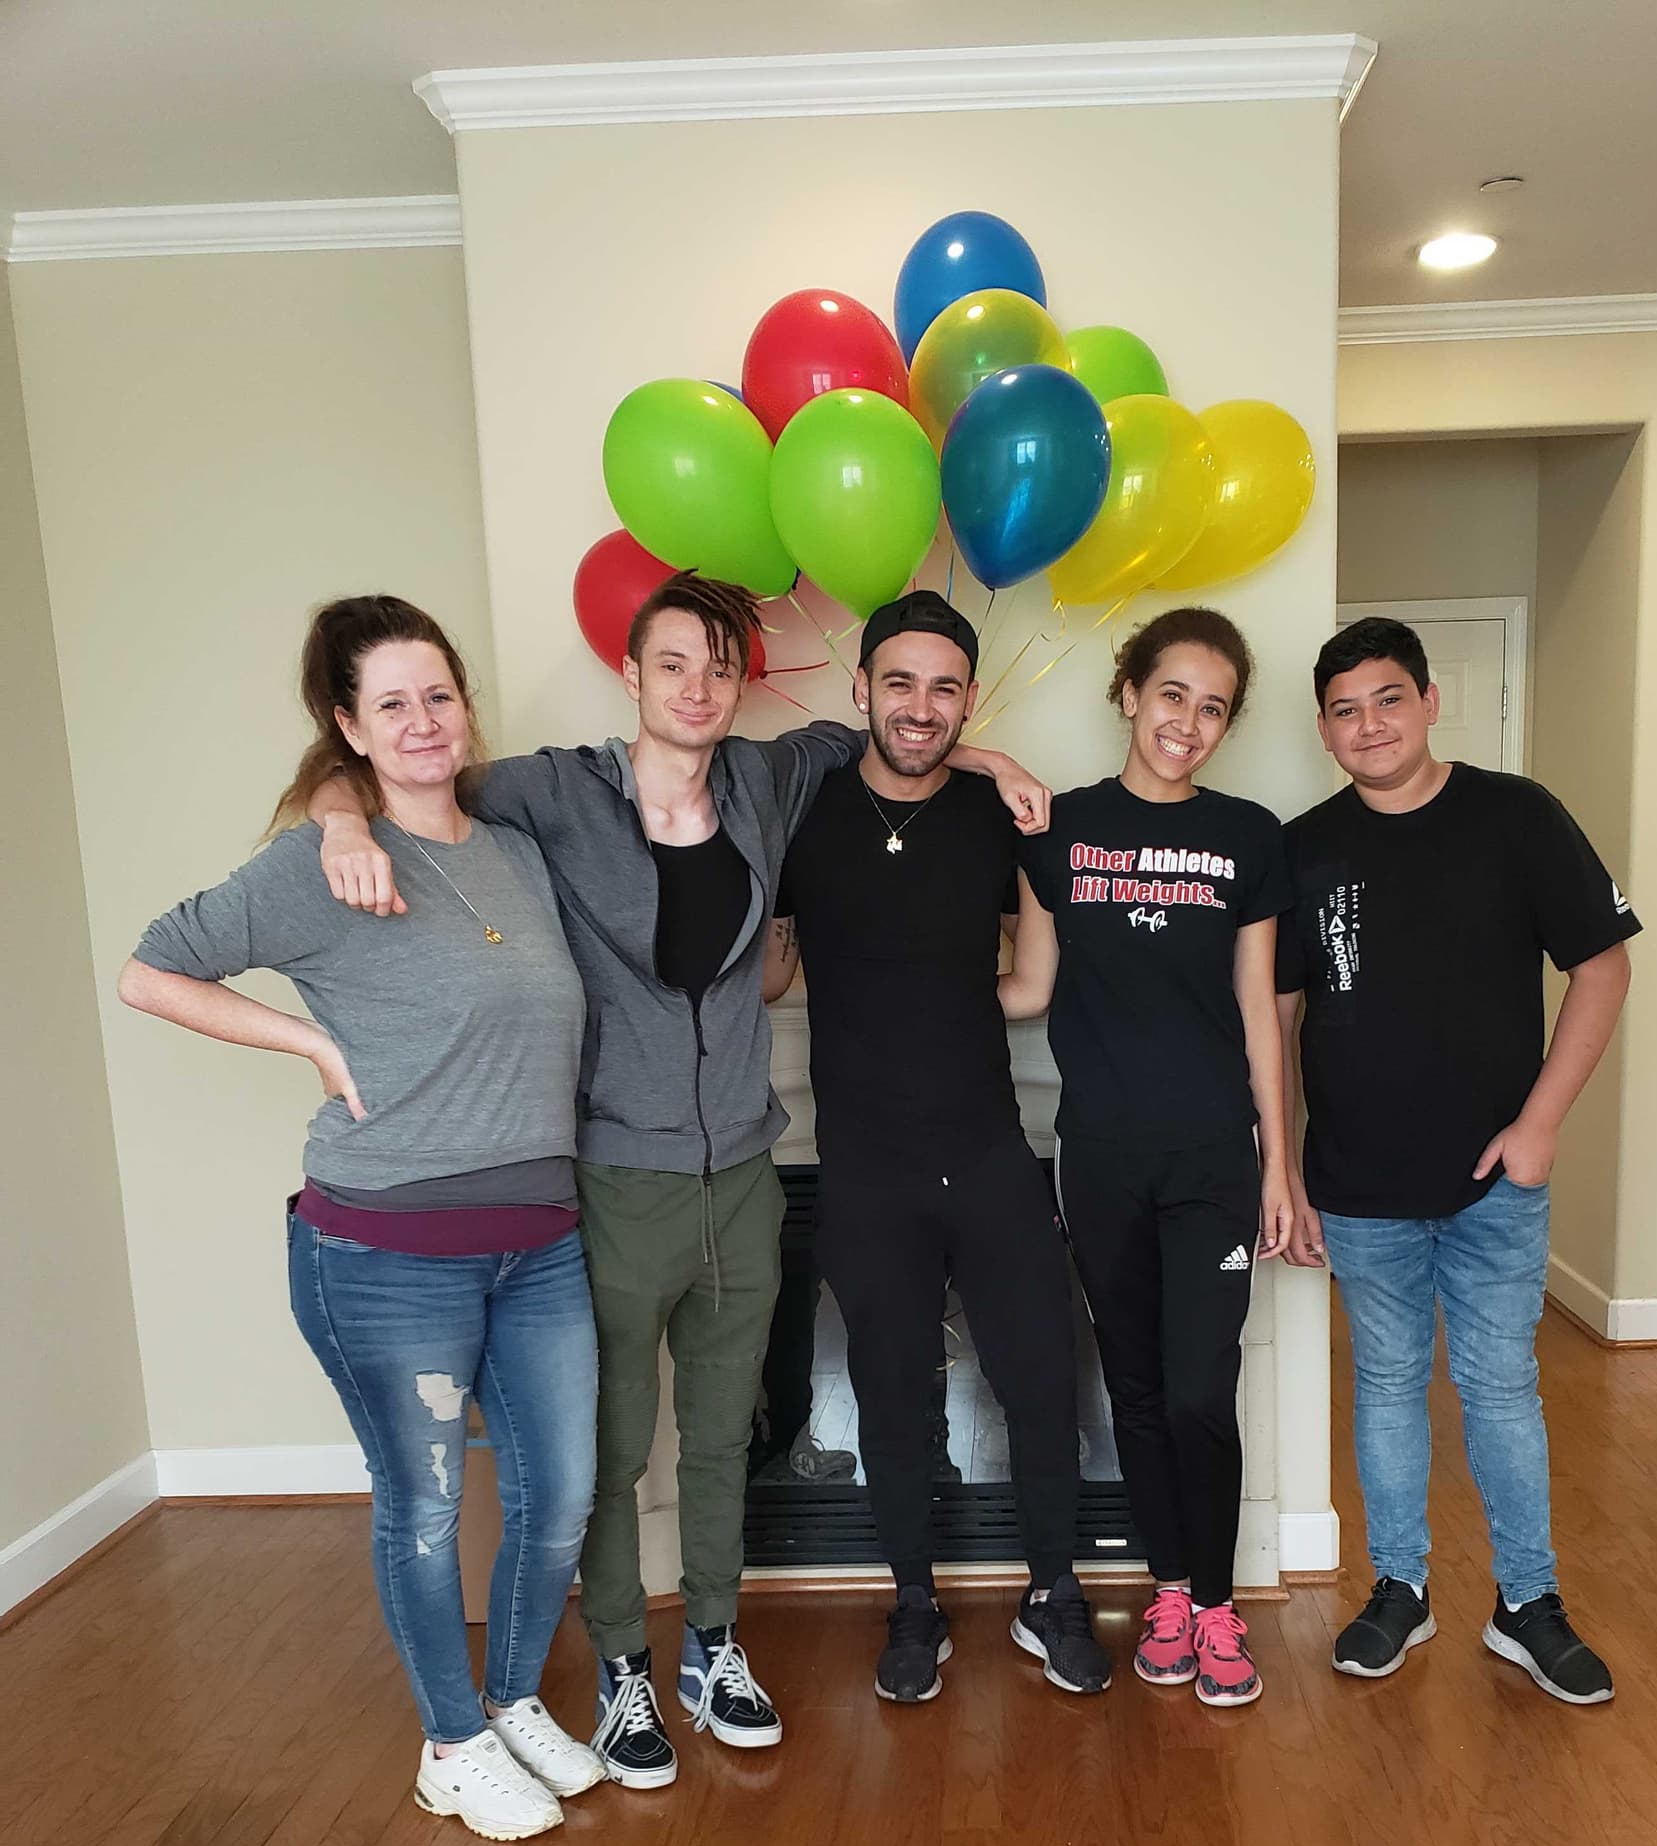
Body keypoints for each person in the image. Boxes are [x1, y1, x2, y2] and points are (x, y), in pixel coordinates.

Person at [315, 576, 1051, 1776]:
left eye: (719, 666)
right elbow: (410, 768)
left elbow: (904, 736)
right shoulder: (557, 790)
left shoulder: (769, 777)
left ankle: (714, 1643)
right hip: (616, 1178)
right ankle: (623, 1668)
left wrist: (1000, 761)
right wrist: (341, 824)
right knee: (611, 1449)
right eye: (673, 664)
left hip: (745, 1174)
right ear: (631, 675)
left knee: (720, 1437)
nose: (699, 688)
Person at [120, 596, 603, 1843]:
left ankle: (510, 1702)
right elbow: (148, 970)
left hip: (540, 1243)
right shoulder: (320, 864)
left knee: (560, 1495)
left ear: (466, 705)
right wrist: (309, 1042)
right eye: (391, 703)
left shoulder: (515, 852)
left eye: (438, 694)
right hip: (386, 1254)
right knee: (427, 1508)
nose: (423, 720)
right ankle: (451, 1745)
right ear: (349, 726)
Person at [1277, 615, 1635, 1707]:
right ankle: (1401, 1588)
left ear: (1430, 702)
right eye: (1345, 710)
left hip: (1494, 1184)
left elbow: (1603, 966)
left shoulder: (1517, 816)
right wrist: (1284, 1169)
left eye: (1389, 699)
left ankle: (1528, 1603)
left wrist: (1541, 1125)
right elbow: (1278, 1017)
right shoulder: (1304, 847)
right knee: (1387, 1386)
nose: (1370, 725)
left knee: (1500, 1389)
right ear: (1325, 730)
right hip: (1358, 1183)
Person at [763, 592, 1113, 1706]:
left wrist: (941, 996)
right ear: (860, 688)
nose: (921, 707)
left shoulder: (998, 816)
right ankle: (912, 1601)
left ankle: (1052, 1590)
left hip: (989, 1150)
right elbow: (770, 976)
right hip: (867, 1167)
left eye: (945, 687)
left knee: (1042, 1379)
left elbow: (1032, 985)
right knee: (889, 1389)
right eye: (900, 682)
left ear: (969, 700)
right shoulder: (801, 809)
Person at [998, 607, 1292, 1706]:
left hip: (1214, 1160)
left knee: (1202, 1391)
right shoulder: (1059, 831)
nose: (1188, 723)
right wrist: (908, 1002)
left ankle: (1216, 1608)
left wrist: (1280, 1166)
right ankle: (1169, 1591)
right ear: (1128, 692)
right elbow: (1030, 987)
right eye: (1173, 694)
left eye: (1213, 707)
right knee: (1136, 1388)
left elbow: (1259, 1010)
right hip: (1101, 1159)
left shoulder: (1249, 835)